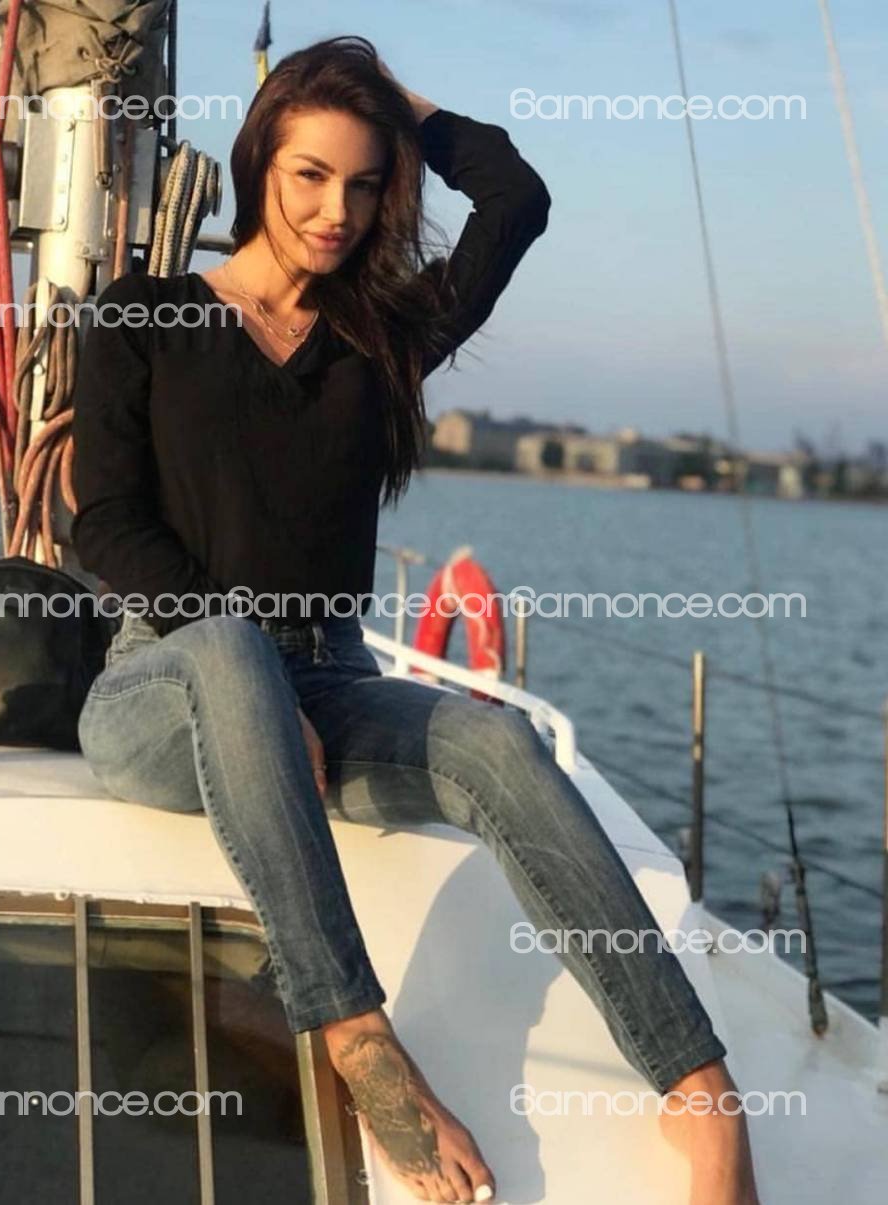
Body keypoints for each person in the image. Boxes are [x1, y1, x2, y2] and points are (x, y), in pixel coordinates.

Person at [71, 37, 760, 1205]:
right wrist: (248, 682)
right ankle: (357, 1036)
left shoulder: (383, 339)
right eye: (308, 175)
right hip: (165, 685)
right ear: (259, 163)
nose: (335, 211)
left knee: (497, 738)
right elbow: (107, 523)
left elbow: (514, 197)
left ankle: (700, 1091)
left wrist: (398, 104)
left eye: (363, 182)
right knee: (231, 647)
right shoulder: (142, 317)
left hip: (328, 681)